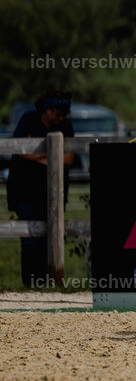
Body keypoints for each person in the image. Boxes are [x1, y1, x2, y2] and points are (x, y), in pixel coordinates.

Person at [7, 90, 75, 287]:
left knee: (51, 237)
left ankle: (50, 282)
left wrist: (37, 156)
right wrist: (53, 157)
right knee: (30, 239)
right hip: (25, 192)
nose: (61, 117)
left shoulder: (65, 126)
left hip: (53, 193)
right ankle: (31, 284)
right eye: (58, 112)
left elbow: (69, 158)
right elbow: (19, 151)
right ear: (48, 110)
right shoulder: (28, 120)